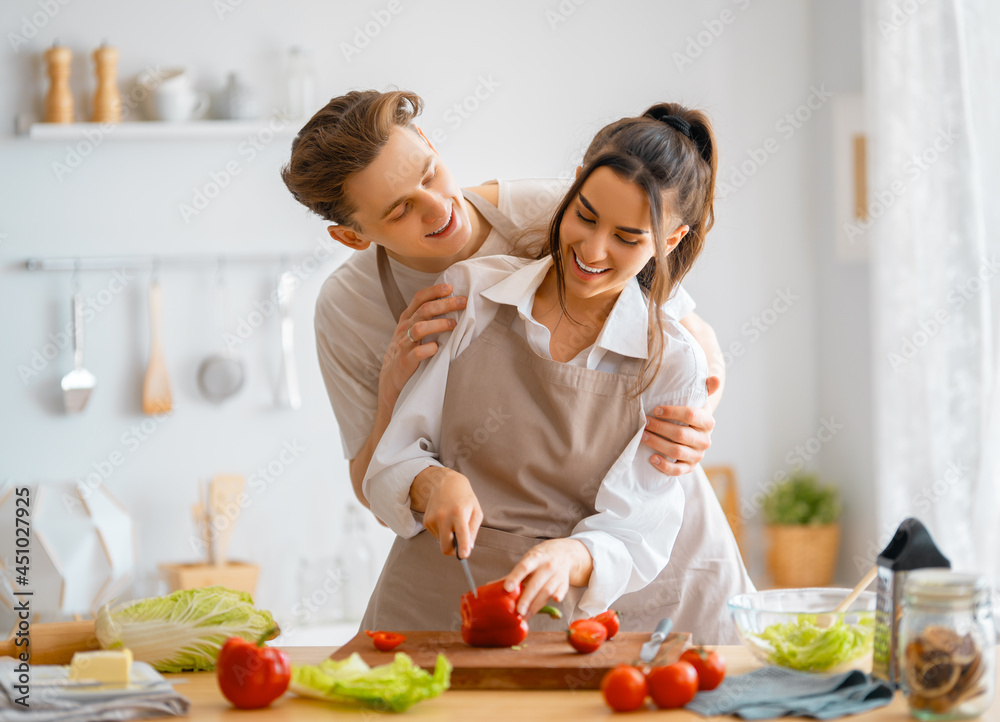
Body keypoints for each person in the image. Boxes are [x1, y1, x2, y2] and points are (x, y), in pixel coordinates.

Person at [361, 103, 754, 642]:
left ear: (670, 240)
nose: (593, 251)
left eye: (628, 237)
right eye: (586, 217)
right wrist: (433, 482)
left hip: (560, 615)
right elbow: (391, 460)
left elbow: (635, 529)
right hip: (429, 602)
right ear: (571, 190)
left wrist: (574, 553)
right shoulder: (469, 294)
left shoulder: (671, 362)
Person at [279, 91, 725, 516]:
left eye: (429, 172)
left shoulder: (569, 214)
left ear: (429, 142)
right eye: (400, 210)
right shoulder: (347, 308)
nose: (438, 208)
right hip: (488, 537)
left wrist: (697, 419)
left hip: (636, 513)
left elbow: (694, 339)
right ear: (351, 237)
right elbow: (369, 489)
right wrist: (392, 389)